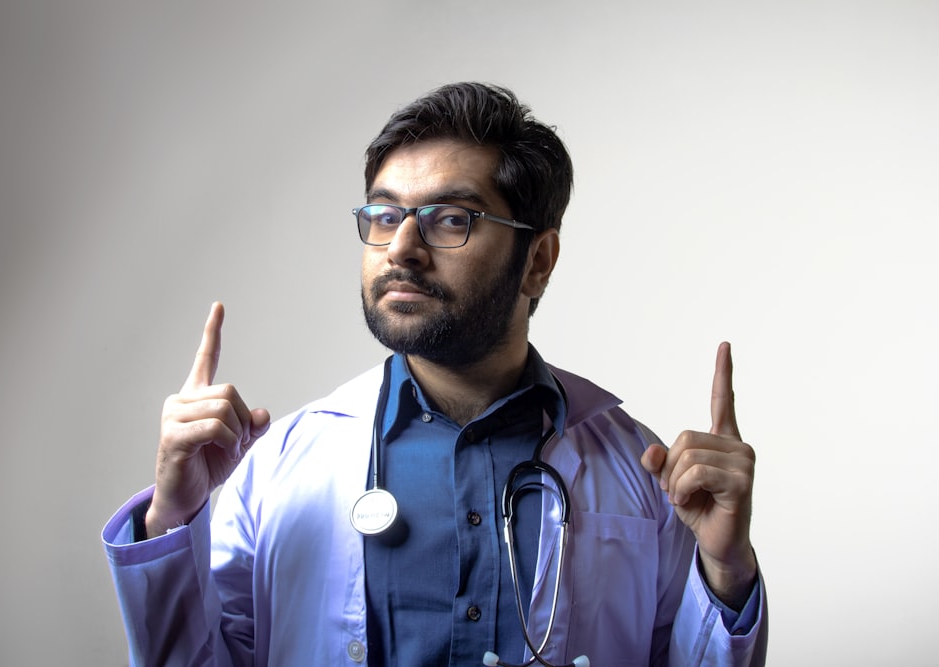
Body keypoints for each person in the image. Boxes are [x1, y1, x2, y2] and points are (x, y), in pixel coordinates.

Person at [103, 82, 768, 666]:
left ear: (537, 260)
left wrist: (727, 572)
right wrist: (172, 518)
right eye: (385, 215)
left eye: (450, 219)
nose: (401, 248)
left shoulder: (642, 474)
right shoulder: (278, 467)